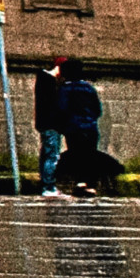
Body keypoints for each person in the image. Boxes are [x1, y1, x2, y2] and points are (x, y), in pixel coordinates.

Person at [59, 66, 110, 195]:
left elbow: (62, 108)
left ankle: (80, 182)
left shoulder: (66, 88)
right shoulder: (89, 88)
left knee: (76, 154)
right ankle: (91, 185)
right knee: (90, 155)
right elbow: (98, 110)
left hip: (74, 127)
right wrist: (90, 119)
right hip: (90, 127)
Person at [34, 60, 70, 190]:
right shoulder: (49, 82)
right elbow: (54, 107)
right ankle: (48, 186)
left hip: (45, 124)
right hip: (51, 124)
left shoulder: (43, 80)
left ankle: (45, 184)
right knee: (52, 156)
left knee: (46, 154)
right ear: (58, 67)